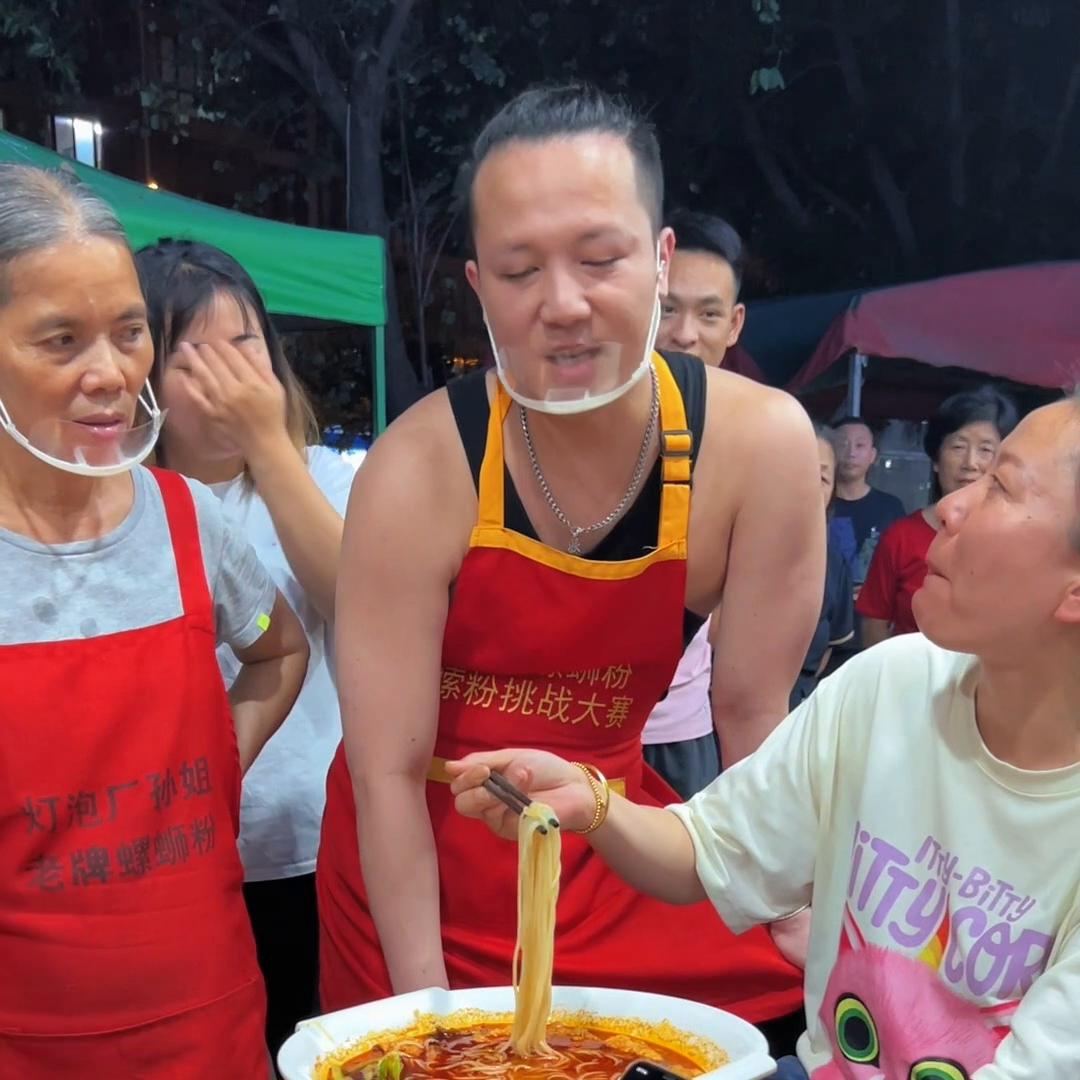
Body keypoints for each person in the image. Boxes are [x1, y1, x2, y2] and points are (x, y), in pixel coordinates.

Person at [317, 84, 825, 1045]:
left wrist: (792, 907)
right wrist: (430, 1019)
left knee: (782, 1013)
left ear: (662, 259)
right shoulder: (419, 466)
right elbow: (386, 772)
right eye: (518, 272)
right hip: (415, 853)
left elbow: (754, 714)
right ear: (475, 285)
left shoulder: (760, 446)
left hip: (604, 832)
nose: (563, 305)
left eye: (601, 260)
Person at [450, 392, 1080, 1079]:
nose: (954, 503)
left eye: (1002, 485)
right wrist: (594, 804)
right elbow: (711, 852)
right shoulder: (891, 685)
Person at [0, 165, 309, 1076]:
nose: (110, 373)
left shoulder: (186, 519)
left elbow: (277, 650)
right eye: (61, 341)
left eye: (129, 333)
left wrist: (219, 764)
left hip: (207, 1019)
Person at [135, 239, 359, 1056]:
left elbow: (359, 611)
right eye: (194, 356)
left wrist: (268, 447)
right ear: (143, 380)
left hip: (317, 839)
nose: (230, 376)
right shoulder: (127, 504)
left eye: (245, 346)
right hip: (184, 857)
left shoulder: (327, 479)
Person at [642, 210, 748, 798]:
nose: (684, 333)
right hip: (567, 727)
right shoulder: (573, 434)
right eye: (668, 308)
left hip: (681, 735)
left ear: (733, 325)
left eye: (708, 314)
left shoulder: (754, 451)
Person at [859, 386, 1018, 648]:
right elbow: (874, 622)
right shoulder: (901, 537)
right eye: (958, 446)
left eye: (985, 450)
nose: (970, 462)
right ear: (935, 459)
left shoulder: (1015, 540)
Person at [790, 425, 853, 708]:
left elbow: (830, 647)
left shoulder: (834, 563)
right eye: (796, 470)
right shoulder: (730, 549)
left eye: (823, 478)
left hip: (797, 710)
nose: (809, 487)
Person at [830, 417, 906, 583]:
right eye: (843, 444)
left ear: (872, 455)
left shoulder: (891, 508)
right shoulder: (818, 505)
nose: (851, 453)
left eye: (860, 445)